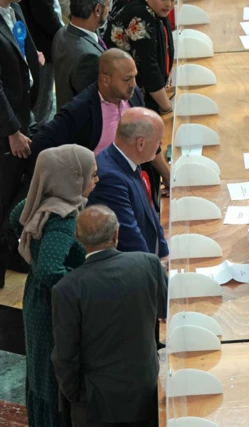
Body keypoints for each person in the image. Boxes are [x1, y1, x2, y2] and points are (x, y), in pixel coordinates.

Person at [51, 205, 167, 427]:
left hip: (97, 403)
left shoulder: (66, 289)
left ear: (78, 238)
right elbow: (166, 311)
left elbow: (65, 356)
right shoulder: (148, 264)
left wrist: (78, 396)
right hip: (145, 390)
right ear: (116, 234)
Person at [9, 145, 98, 427]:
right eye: (92, 175)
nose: (96, 179)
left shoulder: (41, 200)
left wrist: (33, 255)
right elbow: (50, 270)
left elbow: (16, 218)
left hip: (35, 296)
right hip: (52, 307)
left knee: (40, 371)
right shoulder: (62, 217)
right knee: (52, 374)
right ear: (72, 178)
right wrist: (82, 282)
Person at [30, 48, 171, 209]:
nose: (133, 84)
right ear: (105, 80)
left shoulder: (133, 95)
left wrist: (167, 176)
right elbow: (40, 146)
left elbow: (148, 138)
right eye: (127, 79)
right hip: (101, 199)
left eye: (134, 77)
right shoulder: (80, 110)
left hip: (135, 186)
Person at [87, 107, 169, 261]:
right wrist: (155, 270)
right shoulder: (110, 179)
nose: (161, 144)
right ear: (140, 144)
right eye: (159, 140)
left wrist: (164, 253)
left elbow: (150, 214)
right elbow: (129, 236)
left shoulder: (129, 158)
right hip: (136, 270)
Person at [0, 0, 43, 287]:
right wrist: (12, 131)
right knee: (4, 196)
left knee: (19, 190)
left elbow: (23, 45)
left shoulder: (14, 9)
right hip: (7, 127)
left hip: (25, 112)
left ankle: (12, 252)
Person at [104, 0, 174, 114]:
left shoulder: (155, 10)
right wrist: (167, 108)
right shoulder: (141, 15)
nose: (169, 4)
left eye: (173, 0)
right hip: (124, 95)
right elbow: (148, 69)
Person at [52, 0, 110, 111]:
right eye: (107, 5)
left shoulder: (62, 32)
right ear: (98, 10)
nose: (110, 10)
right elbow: (94, 104)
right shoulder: (89, 56)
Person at [18, 0, 63, 125]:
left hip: (39, 44)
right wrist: (63, 33)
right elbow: (44, 14)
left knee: (44, 100)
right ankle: (37, 137)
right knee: (41, 102)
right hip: (41, 47)